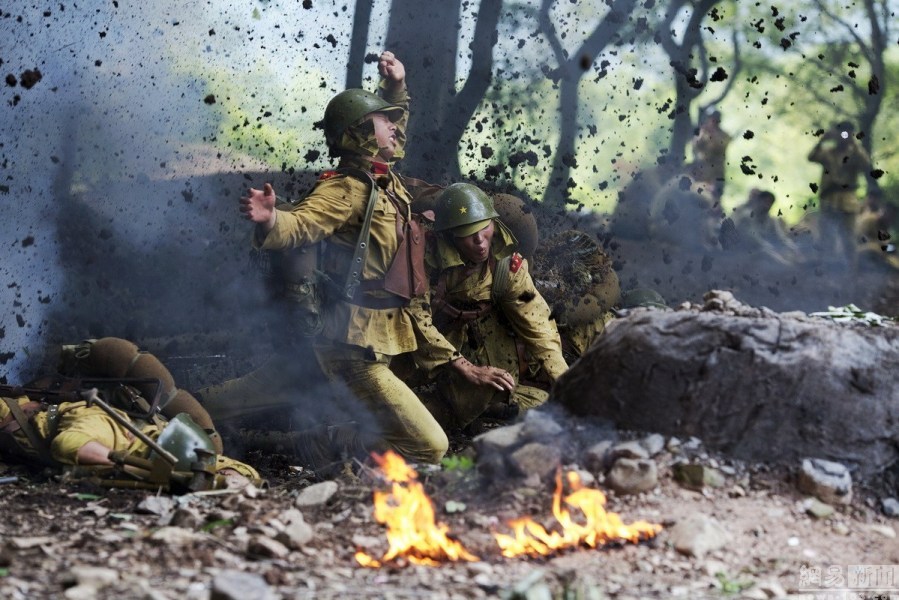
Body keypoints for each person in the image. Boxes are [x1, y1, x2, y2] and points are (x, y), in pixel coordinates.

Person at [238, 51, 509, 464]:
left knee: (243, 398)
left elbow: (394, 126)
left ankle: (329, 433)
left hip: (384, 338)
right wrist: (271, 219)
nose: (396, 127)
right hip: (351, 347)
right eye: (385, 122)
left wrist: (395, 86)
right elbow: (303, 225)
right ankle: (327, 443)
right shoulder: (346, 188)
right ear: (362, 133)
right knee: (432, 447)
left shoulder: (384, 180)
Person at [0, 347, 261, 492]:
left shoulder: (162, 440)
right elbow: (69, 444)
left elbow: (244, 474)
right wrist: (138, 472)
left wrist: (229, 478)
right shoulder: (107, 428)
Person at [424, 183, 568, 429]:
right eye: (468, 234)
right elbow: (412, 321)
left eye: (485, 228)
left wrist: (568, 385)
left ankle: (483, 412)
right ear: (449, 236)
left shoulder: (506, 267)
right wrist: (465, 368)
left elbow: (539, 326)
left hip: (477, 346)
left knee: (537, 401)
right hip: (424, 350)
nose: (480, 241)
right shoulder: (426, 261)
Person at [808, 121, 872, 260]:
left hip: (848, 201)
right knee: (827, 237)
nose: (844, 136)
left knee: (849, 238)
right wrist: (822, 140)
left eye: (847, 133)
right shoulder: (827, 153)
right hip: (829, 199)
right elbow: (811, 157)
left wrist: (854, 144)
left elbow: (866, 165)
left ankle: (851, 274)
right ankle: (826, 270)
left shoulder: (855, 153)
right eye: (841, 133)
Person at [690, 108, 732, 202]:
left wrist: (712, 134)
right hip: (700, 171)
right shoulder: (703, 132)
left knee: (713, 199)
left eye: (714, 119)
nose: (712, 121)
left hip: (715, 174)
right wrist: (702, 134)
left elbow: (719, 147)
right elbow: (695, 147)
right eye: (711, 119)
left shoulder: (724, 135)